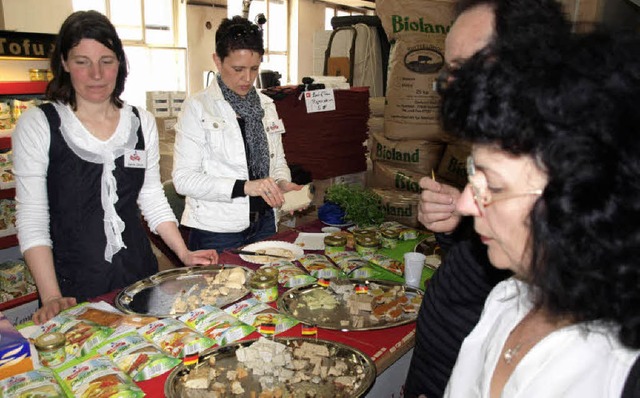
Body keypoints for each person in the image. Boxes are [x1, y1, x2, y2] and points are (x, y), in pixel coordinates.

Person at [440, 28, 640, 397]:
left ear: (581, 202)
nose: (466, 204)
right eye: (472, 174)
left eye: (493, 186)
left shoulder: (615, 371)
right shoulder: (509, 298)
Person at [404, 1, 570, 396]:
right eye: (449, 70)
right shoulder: (507, 298)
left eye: (465, 68)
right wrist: (459, 226)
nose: (447, 85)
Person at [12, 10, 219, 325]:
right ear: (64, 64)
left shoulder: (140, 121)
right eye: (82, 62)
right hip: (71, 285)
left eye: (106, 61)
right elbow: (32, 217)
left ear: (120, 63)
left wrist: (184, 253)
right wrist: (51, 294)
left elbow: (150, 196)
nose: (96, 74)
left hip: (139, 274)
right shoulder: (39, 124)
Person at [172, 16, 302, 253]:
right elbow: (183, 179)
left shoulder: (266, 105)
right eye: (238, 69)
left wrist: (282, 183)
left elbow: (277, 161)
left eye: (254, 68)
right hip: (217, 231)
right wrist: (245, 187)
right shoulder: (198, 107)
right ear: (217, 61)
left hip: (264, 222)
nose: (248, 78)